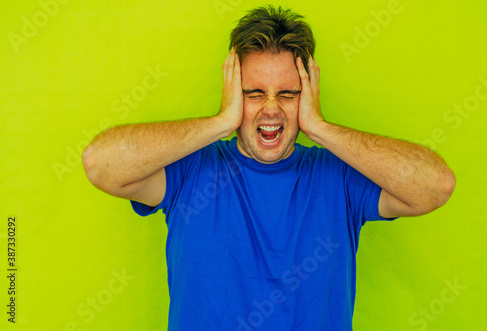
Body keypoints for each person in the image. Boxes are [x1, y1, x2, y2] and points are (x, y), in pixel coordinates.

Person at [82, 5, 456, 331]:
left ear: (307, 95)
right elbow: (101, 164)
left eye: (288, 94)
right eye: (254, 93)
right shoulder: (190, 173)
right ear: (232, 92)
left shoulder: (338, 177)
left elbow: (435, 185)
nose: (271, 108)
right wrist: (220, 122)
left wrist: (320, 128)